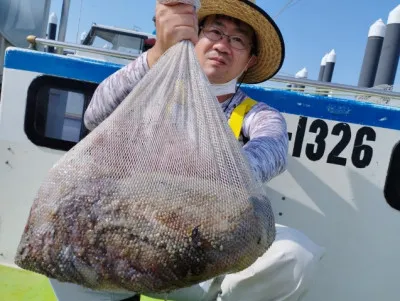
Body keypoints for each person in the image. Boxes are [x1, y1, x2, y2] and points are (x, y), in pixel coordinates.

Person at [49, 0, 325, 300]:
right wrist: (158, 53)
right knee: (65, 232)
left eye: (237, 40)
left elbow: (273, 150)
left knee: (296, 255)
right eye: (215, 32)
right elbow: (96, 116)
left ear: (249, 61)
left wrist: (205, 172)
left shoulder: (259, 115)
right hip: (132, 237)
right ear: (196, 37)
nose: (223, 45)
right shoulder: (151, 85)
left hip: (212, 255)